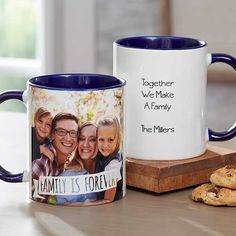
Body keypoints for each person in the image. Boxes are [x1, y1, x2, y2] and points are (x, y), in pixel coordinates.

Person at [32, 112, 79, 202]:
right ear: (52, 134)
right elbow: (35, 203)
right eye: (61, 132)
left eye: (73, 133)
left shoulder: (67, 162)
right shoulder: (43, 162)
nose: (68, 138)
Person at [95, 116, 123, 203]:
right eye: (101, 140)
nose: (105, 145)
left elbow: (108, 199)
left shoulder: (113, 164)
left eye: (110, 140)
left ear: (117, 140)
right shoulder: (101, 156)